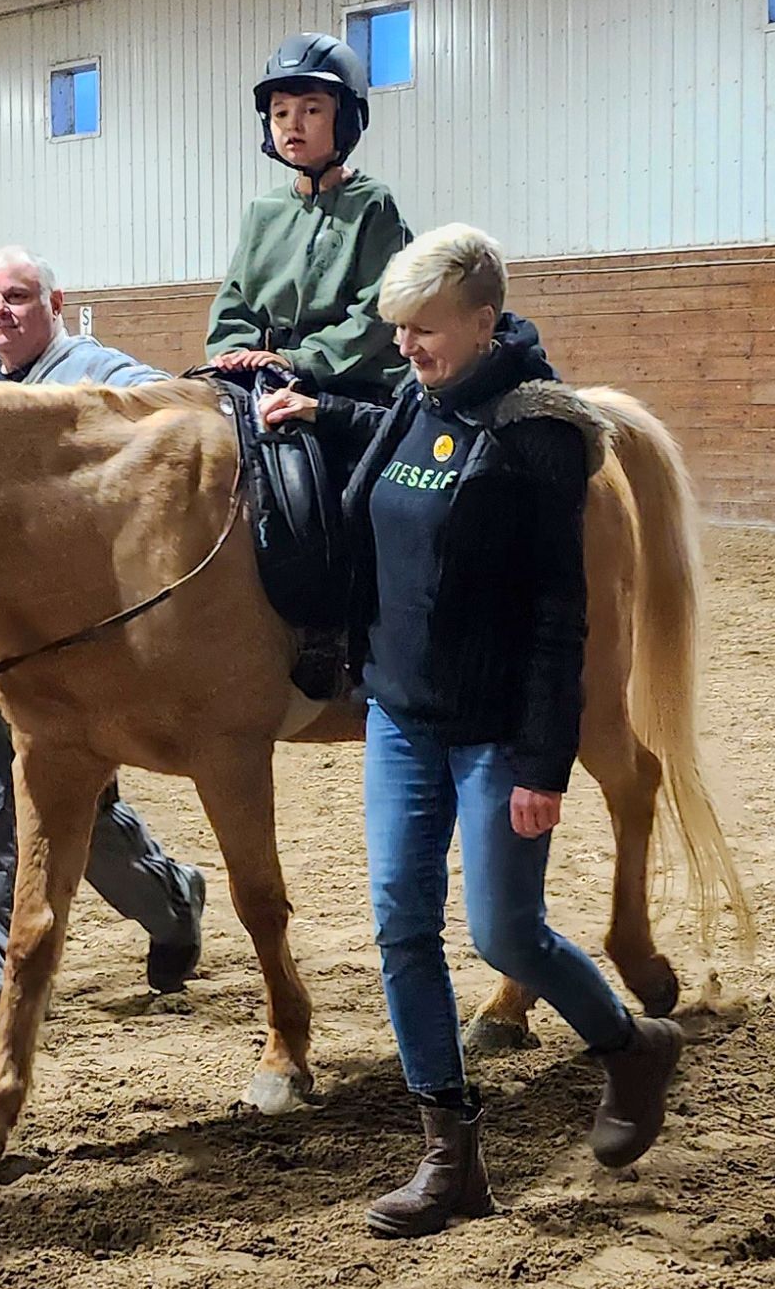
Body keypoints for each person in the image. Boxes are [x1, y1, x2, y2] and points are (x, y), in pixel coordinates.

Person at [257, 224, 685, 1237]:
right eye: (398, 329)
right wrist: (325, 410)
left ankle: (630, 1044)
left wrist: (544, 763)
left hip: (497, 733)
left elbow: (556, 615)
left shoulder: (537, 438)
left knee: (504, 934)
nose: (406, 345)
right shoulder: (421, 393)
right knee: (403, 930)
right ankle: (450, 1158)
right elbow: (405, 441)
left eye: (426, 329)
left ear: (485, 323)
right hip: (401, 718)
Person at [0, 246, 208, 1029]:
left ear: (56, 302)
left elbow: (178, 409)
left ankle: (171, 896)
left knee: (78, 814)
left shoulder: (98, 373)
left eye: (17, 296)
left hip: (60, 660)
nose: (0, 310)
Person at [207, 32, 415, 399]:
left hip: (354, 384)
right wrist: (232, 352)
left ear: (347, 117)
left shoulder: (372, 204)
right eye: (280, 112)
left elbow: (377, 312)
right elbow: (234, 301)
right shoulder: (263, 212)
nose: (292, 124)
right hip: (271, 375)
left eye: (312, 110)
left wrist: (299, 360)